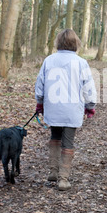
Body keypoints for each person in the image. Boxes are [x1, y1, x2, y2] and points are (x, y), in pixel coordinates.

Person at [34, 29, 97, 191]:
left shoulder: (49, 60)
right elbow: (88, 87)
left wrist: (39, 103)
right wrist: (90, 105)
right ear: (76, 43)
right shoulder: (81, 63)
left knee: (55, 137)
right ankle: (63, 179)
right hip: (72, 109)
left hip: (53, 108)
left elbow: (40, 85)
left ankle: (53, 172)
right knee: (68, 141)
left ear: (58, 43)